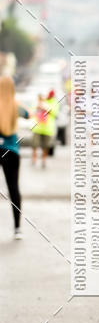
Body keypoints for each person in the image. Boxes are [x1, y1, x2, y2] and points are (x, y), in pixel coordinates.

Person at [0, 76, 30, 239]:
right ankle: (17, 229)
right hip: (11, 152)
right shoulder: (16, 106)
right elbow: (29, 114)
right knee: (13, 189)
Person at [31, 92, 56, 168]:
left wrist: (45, 108)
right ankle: (34, 159)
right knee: (34, 145)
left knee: (46, 146)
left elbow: (54, 113)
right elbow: (31, 113)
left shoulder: (49, 104)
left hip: (47, 129)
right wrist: (37, 108)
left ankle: (43, 160)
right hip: (37, 128)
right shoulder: (35, 104)